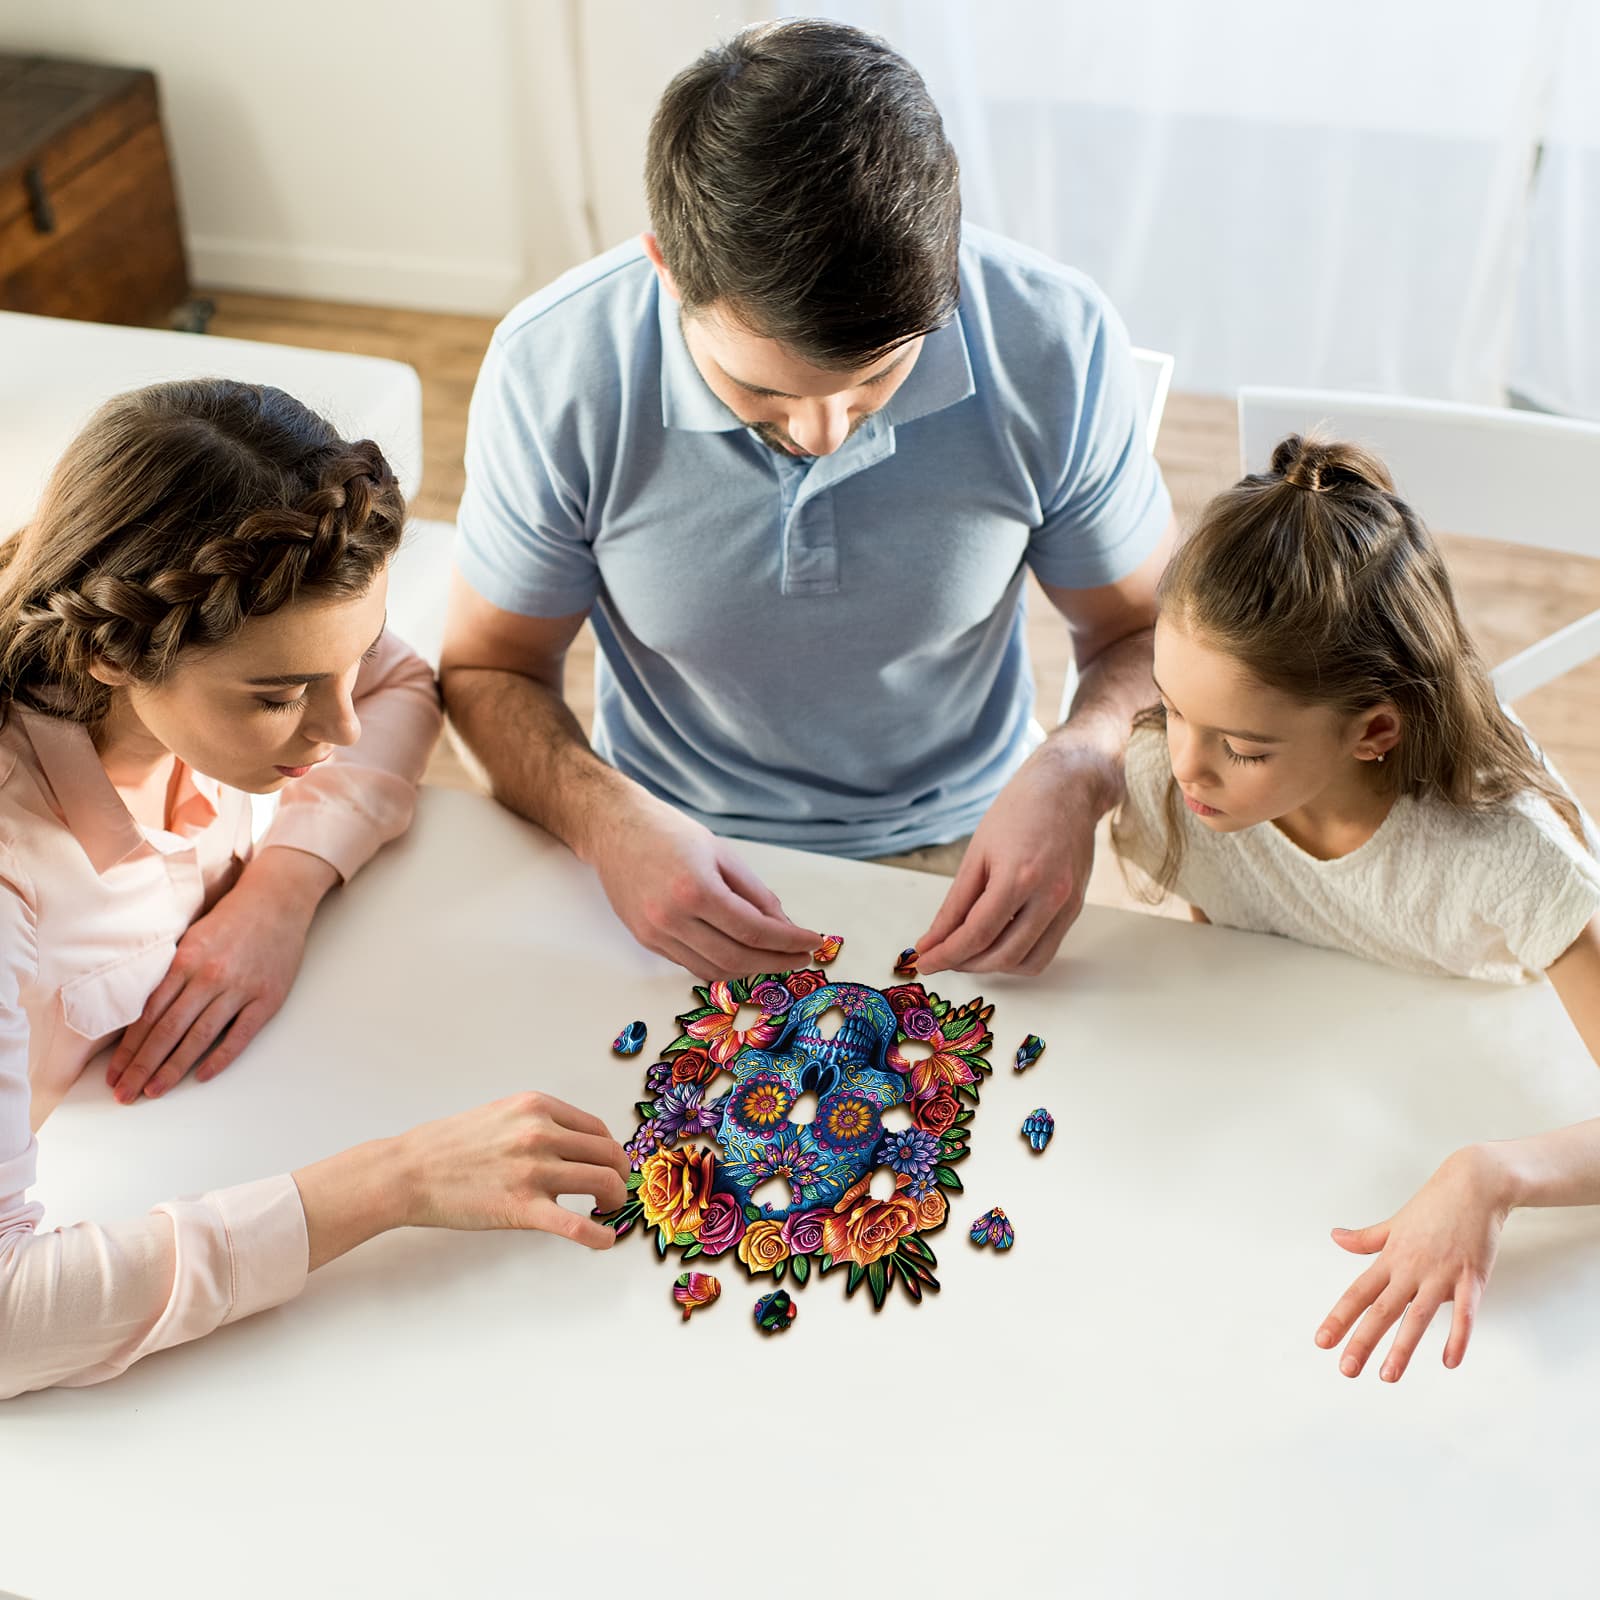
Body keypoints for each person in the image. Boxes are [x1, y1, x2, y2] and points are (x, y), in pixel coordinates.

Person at [440, 18, 1175, 981]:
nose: (827, 435)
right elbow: (488, 672)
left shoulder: (1053, 341)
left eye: (877, 382)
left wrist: (1079, 769)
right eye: (766, 393)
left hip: (972, 841)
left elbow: (1148, 638)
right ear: (668, 270)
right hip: (658, 845)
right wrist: (602, 818)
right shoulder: (555, 370)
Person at [0, 380, 628, 1399]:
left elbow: (394, 685)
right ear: (111, 651)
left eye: (341, 660)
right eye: (278, 696)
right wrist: (395, 1180)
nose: (334, 730)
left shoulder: (231, 642)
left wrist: (280, 891)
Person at [1112, 432, 1600, 1384]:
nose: (1185, 767)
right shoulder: (1171, 789)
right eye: (1171, 708)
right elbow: (1246, 953)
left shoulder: (1509, 858)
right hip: (1319, 1111)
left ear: (1375, 730)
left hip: (1503, 1061)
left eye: (1242, 749)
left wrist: (1491, 1176)